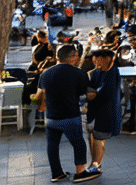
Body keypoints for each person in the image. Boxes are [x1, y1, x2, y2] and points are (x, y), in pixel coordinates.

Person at [35, 44, 98, 182]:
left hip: (51, 118)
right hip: (70, 116)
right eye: (76, 55)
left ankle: (56, 173)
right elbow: (87, 94)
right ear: (72, 56)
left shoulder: (45, 73)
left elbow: (38, 95)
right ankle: (80, 172)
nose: (77, 58)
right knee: (79, 144)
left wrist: (42, 106)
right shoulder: (79, 73)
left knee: (52, 145)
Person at [84, 49, 119, 174]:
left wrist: (92, 95)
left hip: (106, 112)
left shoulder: (113, 72)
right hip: (94, 111)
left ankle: (96, 165)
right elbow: (90, 88)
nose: (94, 61)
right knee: (92, 137)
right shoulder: (96, 73)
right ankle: (94, 163)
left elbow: (106, 94)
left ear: (107, 59)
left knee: (99, 139)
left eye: (97, 59)